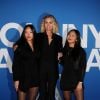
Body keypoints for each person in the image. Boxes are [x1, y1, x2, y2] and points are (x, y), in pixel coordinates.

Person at [37, 14, 63, 100]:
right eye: (46, 22)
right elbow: (25, 40)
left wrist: (61, 55)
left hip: (53, 70)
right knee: (42, 94)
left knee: (51, 95)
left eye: (50, 22)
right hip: (40, 70)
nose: (48, 25)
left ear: (54, 24)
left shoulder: (58, 38)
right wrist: (17, 44)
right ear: (43, 24)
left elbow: (61, 52)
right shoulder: (38, 36)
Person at [12, 24, 39, 100]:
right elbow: (16, 64)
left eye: (30, 32)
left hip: (35, 78)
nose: (28, 34)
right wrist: (16, 79)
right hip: (23, 78)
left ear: (34, 33)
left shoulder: (38, 46)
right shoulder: (19, 46)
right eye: (26, 32)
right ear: (23, 34)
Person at [60, 29, 87, 100]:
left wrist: (80, 82)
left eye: (72, 35)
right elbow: (64, 64)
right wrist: (59, 59)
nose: (69, 37)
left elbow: (83, 67)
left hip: (76, 80)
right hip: (65, 80)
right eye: (69, 35)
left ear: (76, 39)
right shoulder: (63, 50)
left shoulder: (81, 51)